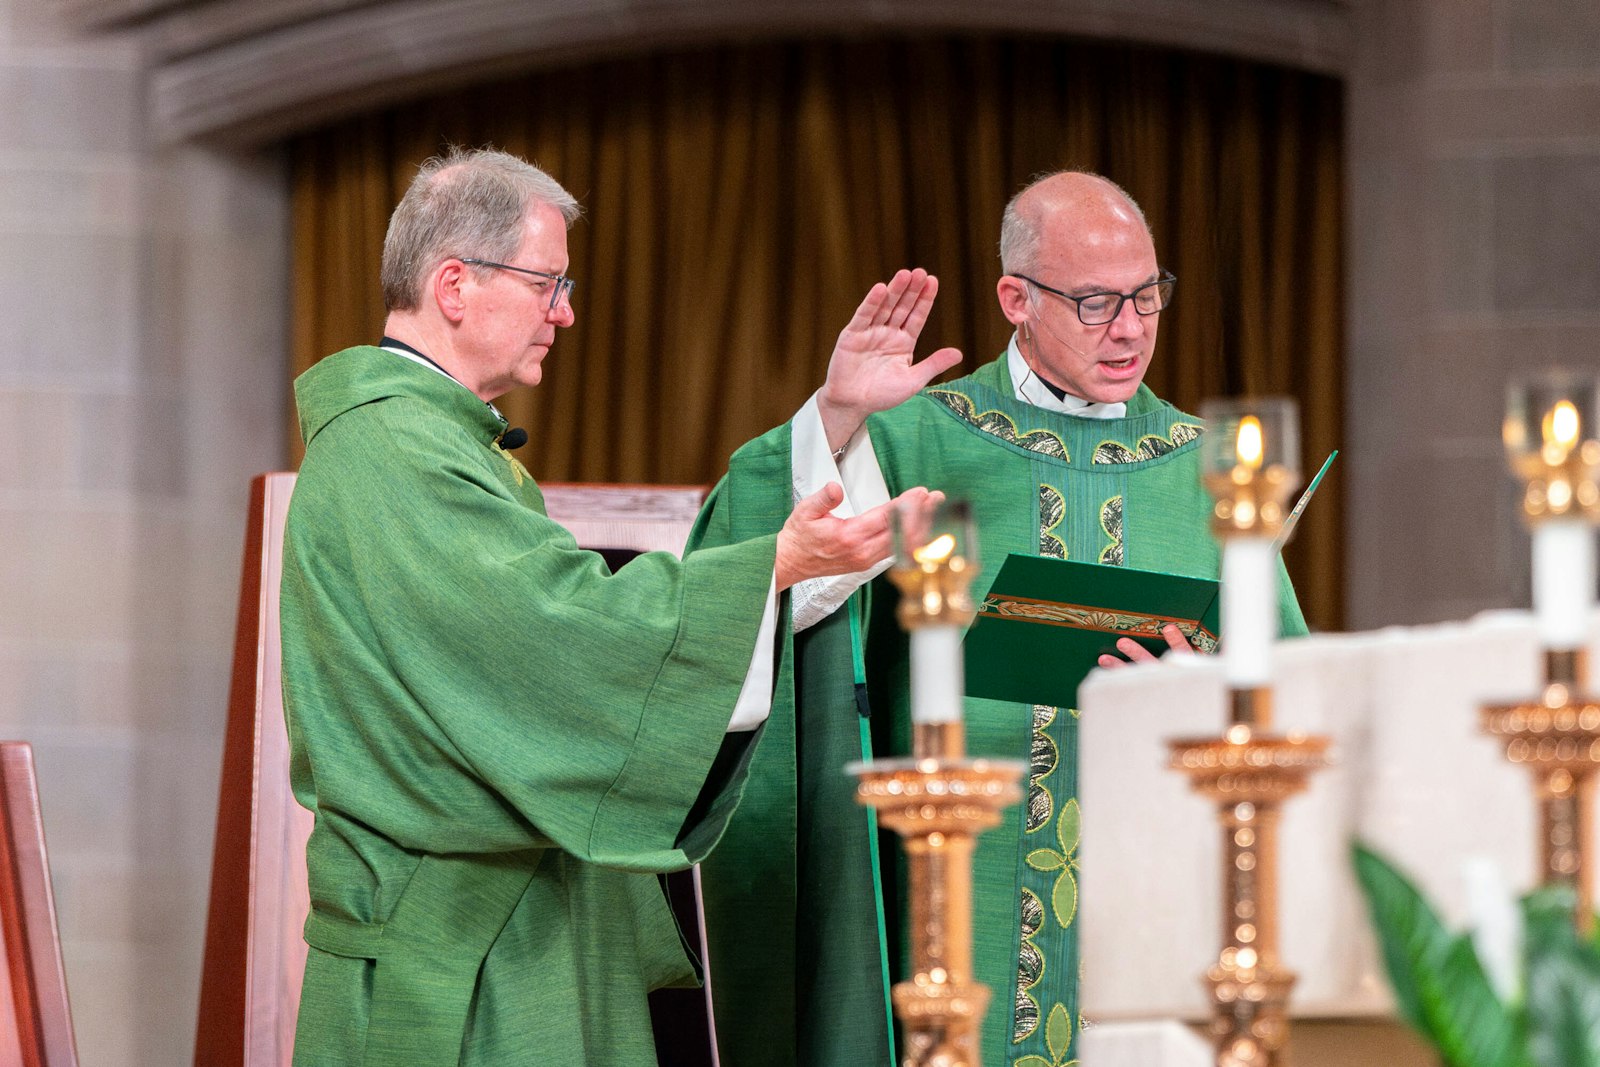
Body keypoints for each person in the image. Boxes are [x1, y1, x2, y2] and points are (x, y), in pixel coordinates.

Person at [278, 146, 940, 1067]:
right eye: (547, 283)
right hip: (464, 965)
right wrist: (775, 564)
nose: (566, 312)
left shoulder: (439, 441)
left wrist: (825, 431)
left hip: (521, 925)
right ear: (456, 284)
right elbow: (559, 635)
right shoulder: (395, 447)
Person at [695, 171, 1308, 1067]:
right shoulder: (915, 437)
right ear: (1016, 298)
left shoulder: (1211, 468)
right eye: (1097, 301)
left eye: (1148, 295)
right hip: (954, 890)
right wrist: (836, 419)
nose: (1131, 326)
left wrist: (1200, 696)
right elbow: (751, 576)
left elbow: (1285, 691)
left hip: (1152, 895)